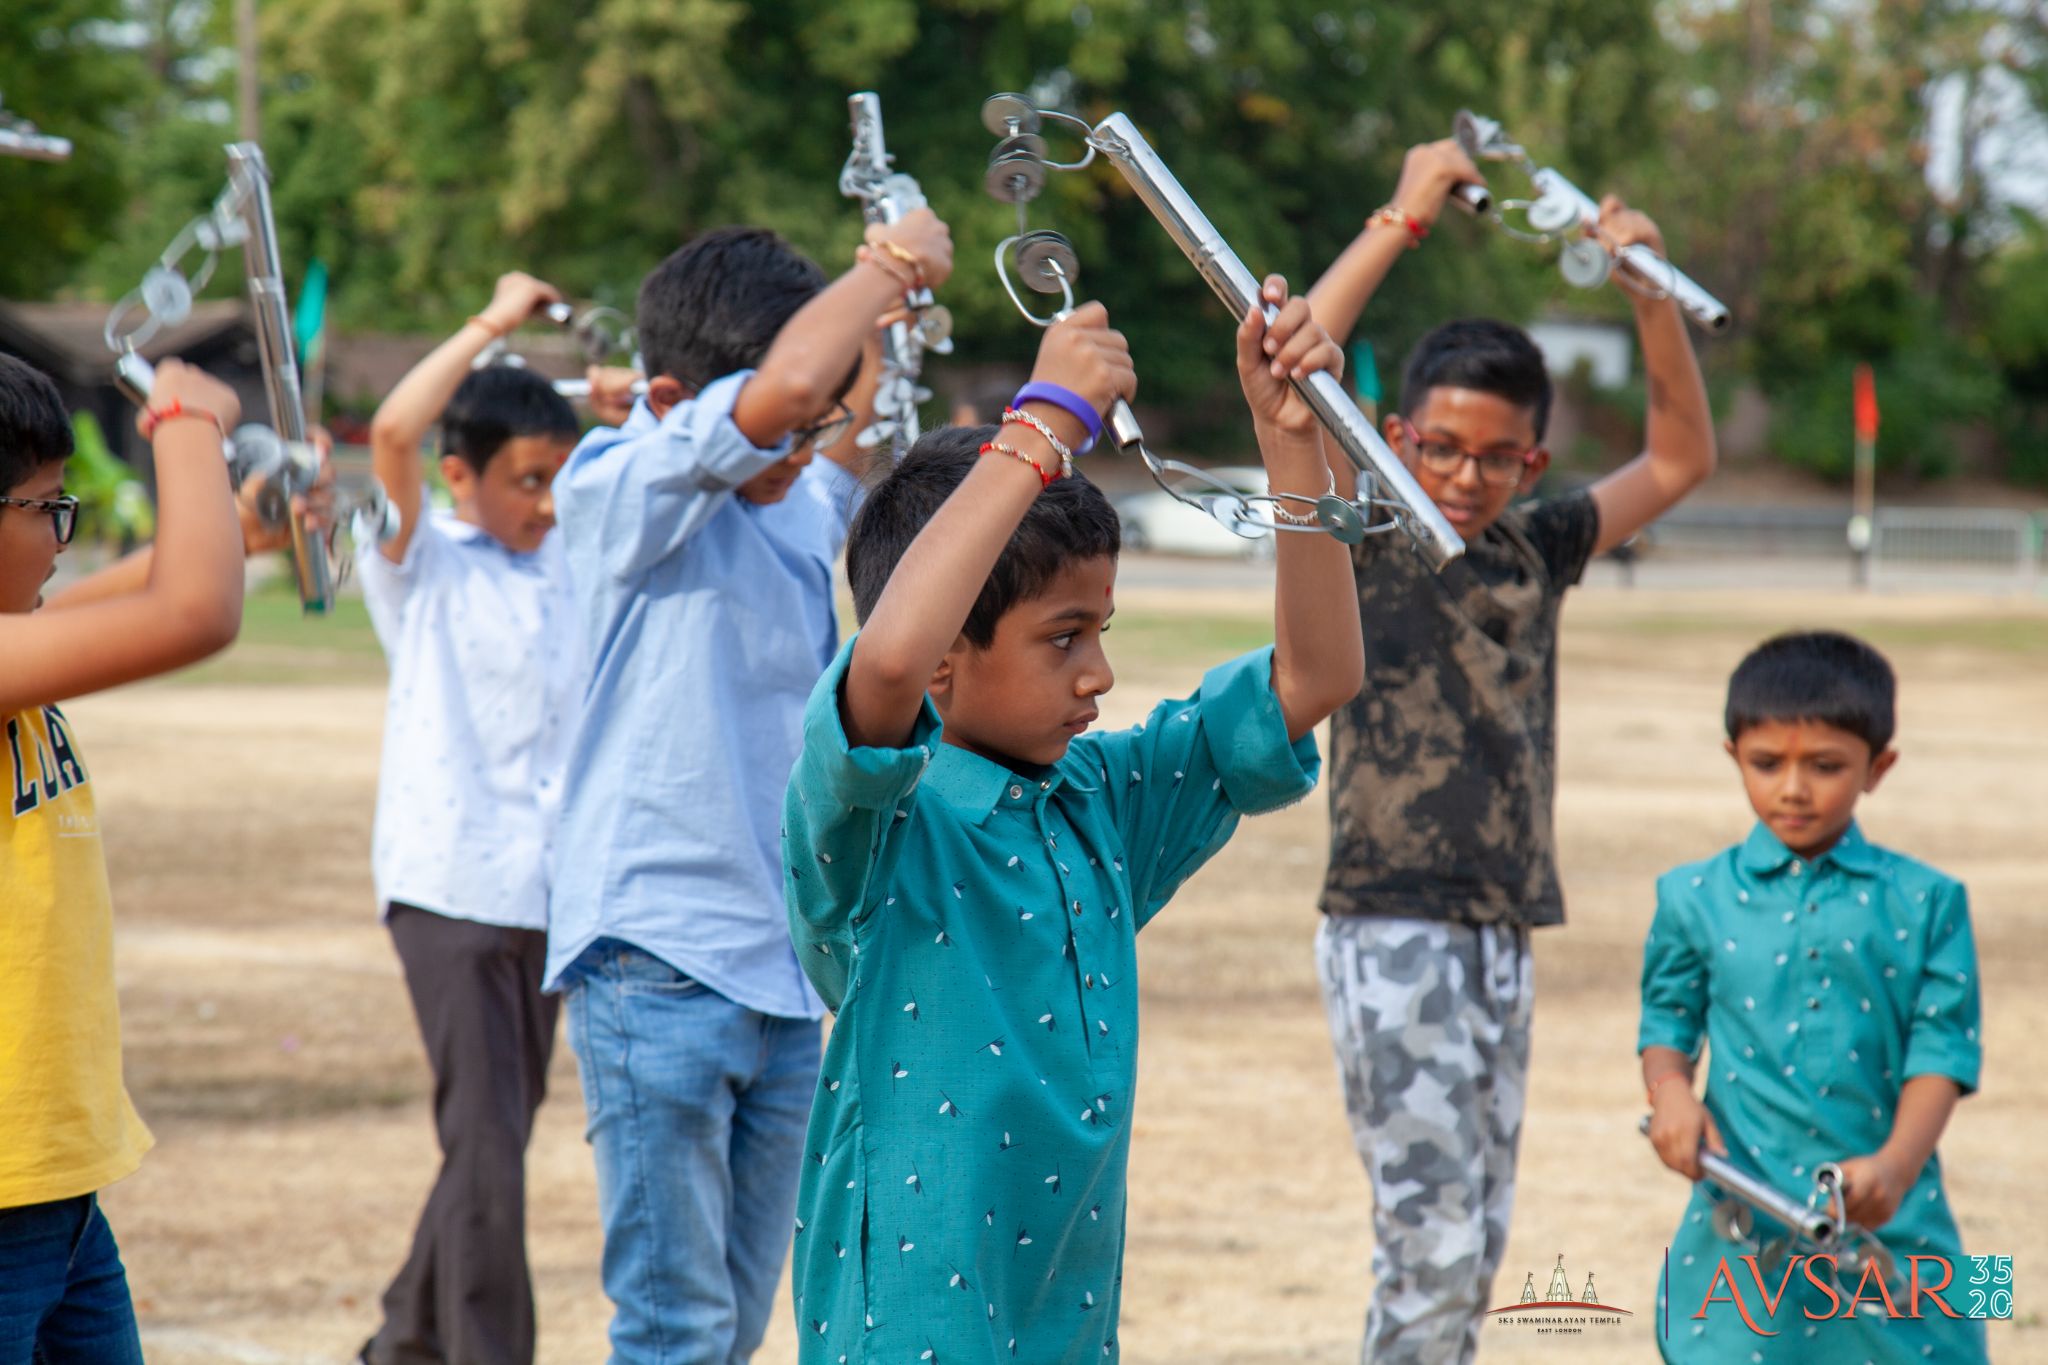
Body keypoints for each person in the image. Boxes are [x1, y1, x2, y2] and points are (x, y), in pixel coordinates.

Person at [781, 280, 1363, 1363]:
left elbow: (1315, 676)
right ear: (947, 657)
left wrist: (1293, 446)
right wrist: (1044, 421)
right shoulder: (877, 829)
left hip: (1068, 1324)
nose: (1098, 673)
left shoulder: (1104, 801)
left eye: (1101, 629)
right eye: (1062, 637)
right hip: (908, 1329)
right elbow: (888, 661)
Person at [1304, 139, 1719, 1362]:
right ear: (1393, 436)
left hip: (1498, 928)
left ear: (1533, 459)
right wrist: (1402, 215)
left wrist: (1646, 294)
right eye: (1439, 446)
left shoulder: (1535, 548)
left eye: (1500, 456)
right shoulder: (1362, 531)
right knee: (1428, 1250)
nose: (1465, 476)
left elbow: (1680, 457)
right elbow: (1288, 364)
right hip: (1392, 922)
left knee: (1471, 1245)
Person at [544, 213, 952, 1364]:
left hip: (780, 971)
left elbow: (825, 410)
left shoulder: (799, 503)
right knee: (673, 1330)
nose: (805, 444)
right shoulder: (616, 484)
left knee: (733, 1329)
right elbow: (786, 397)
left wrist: (886, 316)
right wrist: (884, 265)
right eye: (788, 423)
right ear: (670, 399)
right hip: (653, 959)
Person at [0, 352, 302, 1359]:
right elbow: (189, 613)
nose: (62, 536)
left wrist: (238, 527)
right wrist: (186, 424)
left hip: (52, 1188)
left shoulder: (17, 641)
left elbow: (109, 605)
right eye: (46, 508)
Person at [1640, 630, 1986, 1362]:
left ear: (1878, 768)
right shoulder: (1690, 895)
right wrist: (1670, 1092)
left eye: (1825, 766)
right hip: (1743, 1214)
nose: (1793, 789)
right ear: (1734, 754)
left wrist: (1896, 1166)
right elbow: (1667, 1019)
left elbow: (1944, 1050)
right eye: (1767, 763)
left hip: (1891, 1207)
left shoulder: (1929, 900)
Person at [354, 272, 585, 1365]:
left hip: (548, 897)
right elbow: (394, 430)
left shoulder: (570, 568)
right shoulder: (421, 563)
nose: (547, 504)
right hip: (448, 890)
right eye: (527, 480)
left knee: (488, 1147)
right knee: (487, 1149)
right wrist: (493, 322)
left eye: (560, 480)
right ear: (462, 476)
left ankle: (402, 1339)